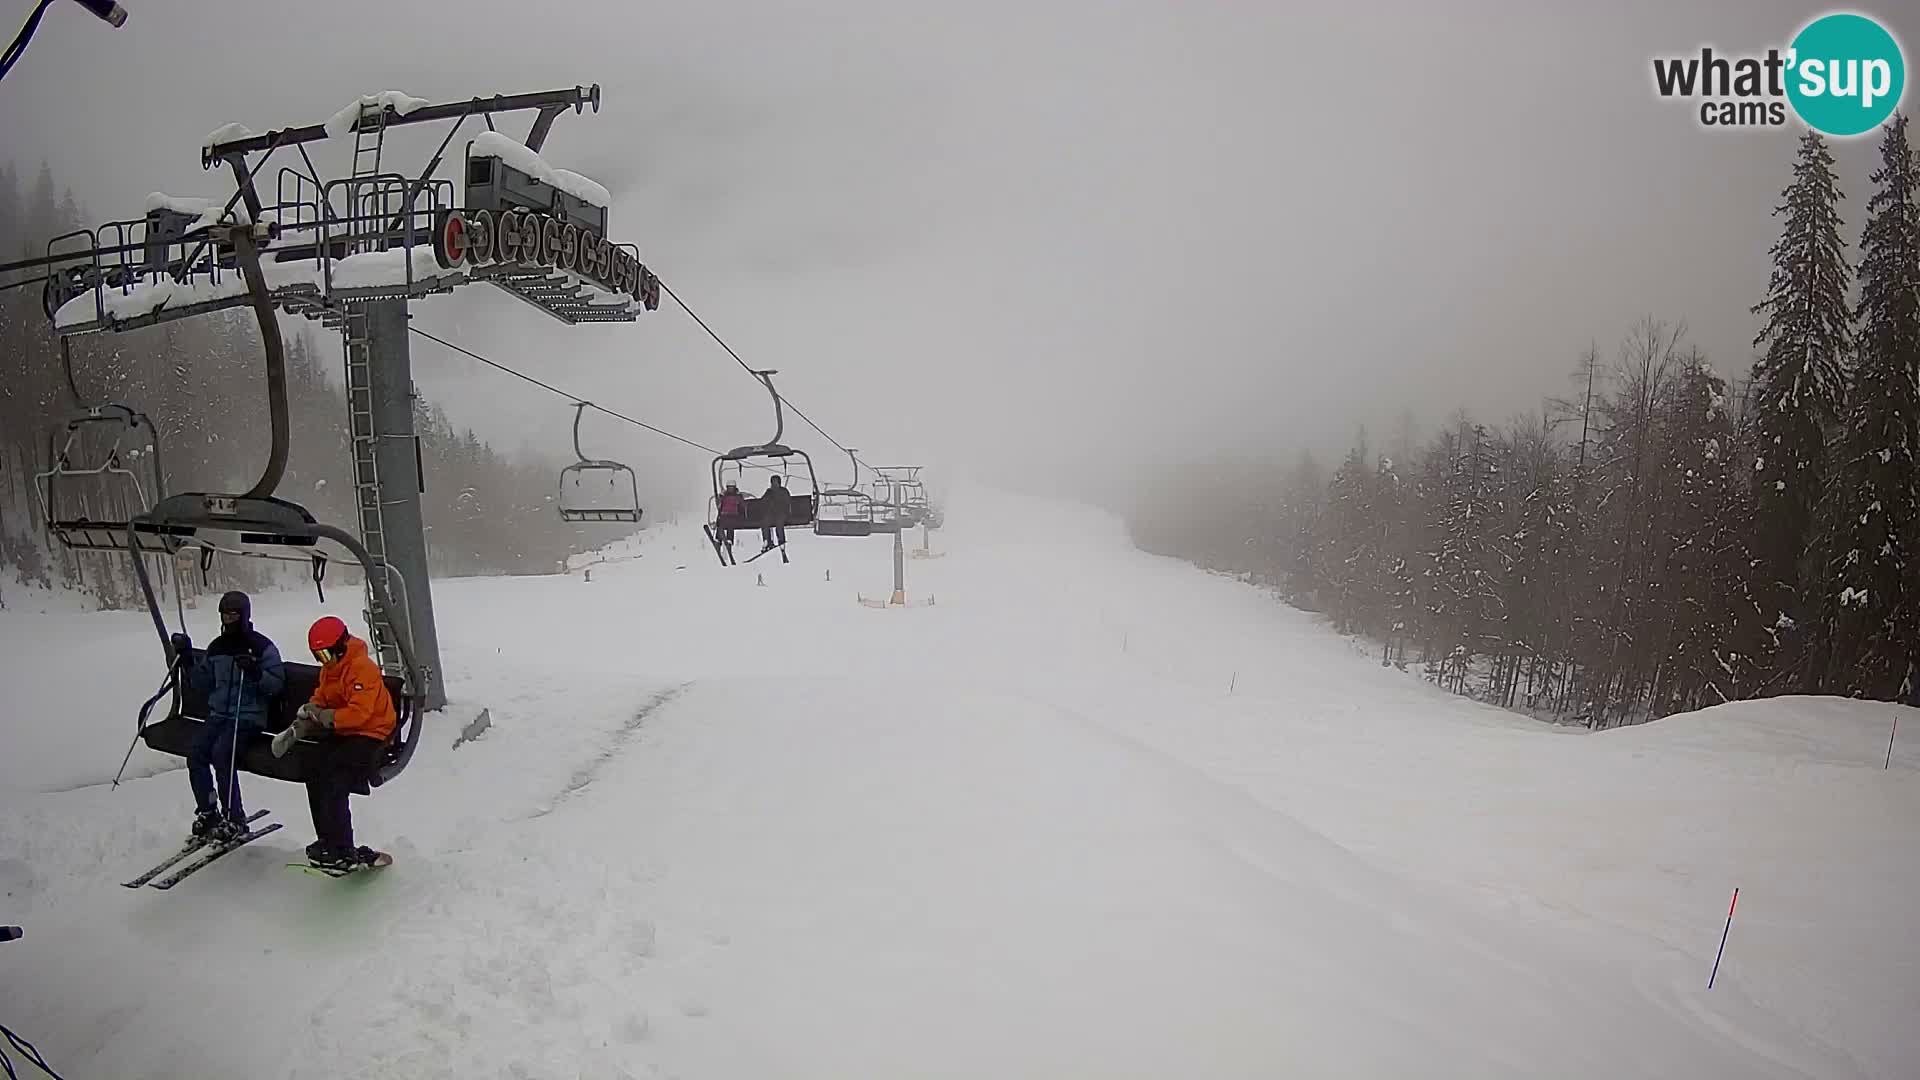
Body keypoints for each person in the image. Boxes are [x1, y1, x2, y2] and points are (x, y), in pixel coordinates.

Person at [280, 616, 396, 871]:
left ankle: (343, 848)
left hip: (372, 732)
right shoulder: (330, 669)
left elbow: (360, 713)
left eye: (326, 654)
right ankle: (327, 840)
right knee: (314, 772)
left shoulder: (362, 667)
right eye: (318, 656)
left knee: (335, 776)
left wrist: (326, 717)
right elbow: (323, 693)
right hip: (345, 730)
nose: (323, 661)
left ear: (341, 646)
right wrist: (314, 707)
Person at [169, 591, 285, 842]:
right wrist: (188, 659)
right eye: (225, 614)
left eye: (234, 614)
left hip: (248, 717)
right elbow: (202, 683)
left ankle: (235, 818)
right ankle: (209, 810)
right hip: (219, 714)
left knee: (223, 753)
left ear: (244, 616)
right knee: (198, 752)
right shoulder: (217, 647)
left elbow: (276, 685)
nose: (229, 619)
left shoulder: (261, 646)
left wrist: (255, 672)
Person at [760, 475, 791, 552]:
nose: (774, 484)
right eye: (773, 482)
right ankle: (767, 540)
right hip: (772, 513)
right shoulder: (769, 492)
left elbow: (787, 502)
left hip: (781, 513)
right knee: (765, 522)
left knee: (779, 523)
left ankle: (781, 540)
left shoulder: (783, 491)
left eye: (776, 482)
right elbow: (763, 501)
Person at [715, 482, 745, 555]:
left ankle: (729, 540)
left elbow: (742, 505)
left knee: (730, 525)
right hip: (724, 515)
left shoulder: (738, 496)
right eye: (729, 488)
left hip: (733, 515)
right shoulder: (724, 496)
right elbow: (719, 505)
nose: (731, 489)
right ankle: (718, 540)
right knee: (720, 524)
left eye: (732, 488)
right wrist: (720, 498)